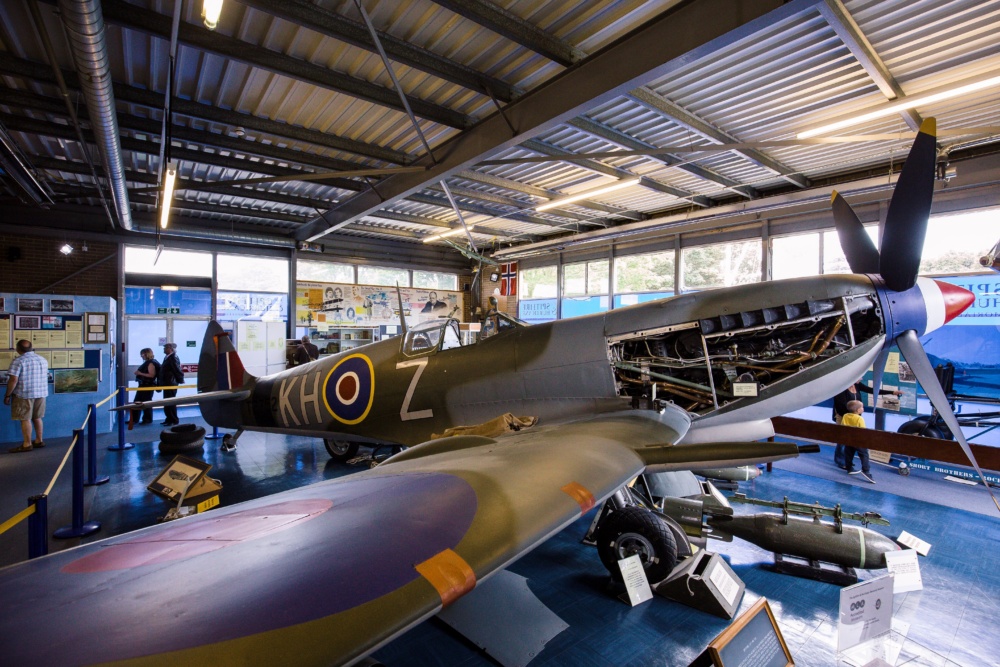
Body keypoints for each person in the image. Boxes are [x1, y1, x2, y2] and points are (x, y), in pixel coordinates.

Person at [832, 380, 902, 468]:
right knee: (842, 439)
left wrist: (892, 392)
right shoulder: (841, 388)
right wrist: (852, 416)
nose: (861, 379)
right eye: (860, 377)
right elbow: (840, 406)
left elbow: (871, 390)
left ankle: (847, 460)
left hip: (855, 417)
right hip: (844, 417)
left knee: (851, 440)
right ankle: (840, 460)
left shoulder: (857, 385)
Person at [4, 340, 49, 453]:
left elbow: (13, 380)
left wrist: (7, 395)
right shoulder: (42, 360)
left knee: (25, 418)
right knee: (37, 417)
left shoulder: (18, 361)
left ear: (18, 349)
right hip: (41, 393)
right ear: (31, 348)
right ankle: (39, 440)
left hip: (24, 394)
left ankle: (27, 444)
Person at [841, 400, 875, 483]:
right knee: (864, 455)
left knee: (848, 453)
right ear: (858, 410)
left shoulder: (845, 416)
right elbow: (862, 431)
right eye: (862, 407)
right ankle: (866, 471)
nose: (863, 409)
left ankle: (849, 468)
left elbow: (842, 426)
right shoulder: (860, 418)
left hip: (848, 439)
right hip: (858, 440)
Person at [132, 348, 160, 424]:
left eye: (142, 354)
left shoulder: (150, 363)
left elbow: (151, 375)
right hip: (144, 385)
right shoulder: (149, 362)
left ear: (147, 354)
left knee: (145, 403)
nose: (141, 356)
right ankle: (136, 419)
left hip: (147, 385)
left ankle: (146, 419)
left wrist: (140, 373)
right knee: (140, 402)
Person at [159, 343, 184, 426]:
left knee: (170, 402)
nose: (164, 349)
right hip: (167, 383)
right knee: (167, 402)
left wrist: (181, 379)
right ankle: (168, 418)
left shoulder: (173, 358)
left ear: (171, 348)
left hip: (171, 383)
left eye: (165, 347)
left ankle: (173, 419)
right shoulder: (168, 357)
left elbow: (177, 369)